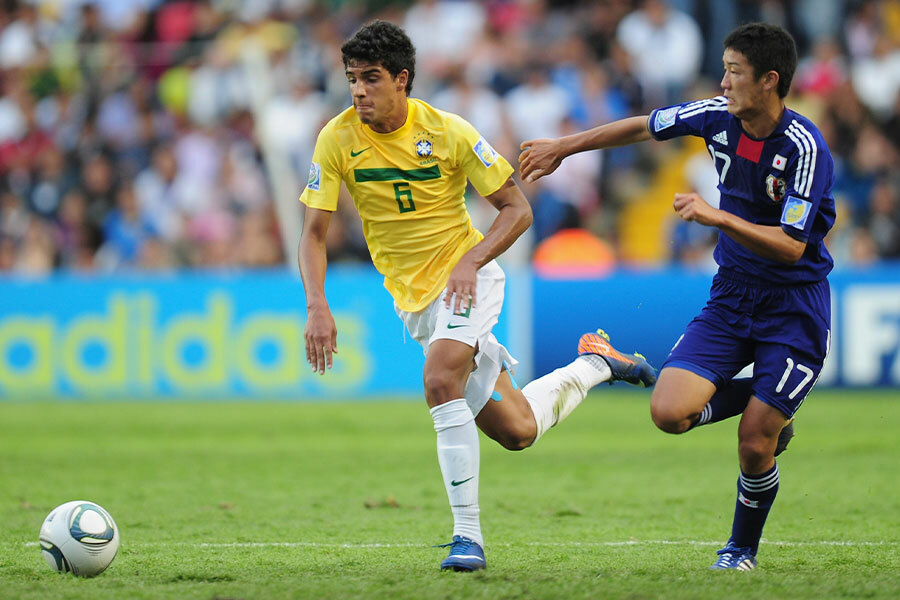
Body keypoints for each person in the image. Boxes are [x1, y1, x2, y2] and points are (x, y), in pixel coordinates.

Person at [298, 20, 657, 572]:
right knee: (517, 431)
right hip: (416, 304)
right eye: (351, 79)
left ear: (402, 79)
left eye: (370, 79)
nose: (358, 91)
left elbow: (518, 210)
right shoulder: (336, 138)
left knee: (441, 378)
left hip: (471, 278)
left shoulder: (450, 133)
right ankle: (596, 363)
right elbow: (314, 235)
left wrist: (471, 259)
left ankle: (467, 538)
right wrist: (317, 306)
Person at [519, 22, 835, 571]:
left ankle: (739, 549)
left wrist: (717, 215)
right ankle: (768, 407)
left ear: (769, 81)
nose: (724, 80)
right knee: (668, 413)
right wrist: (564, 148)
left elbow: (790, 246)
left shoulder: (804, 147)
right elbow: (645, 125)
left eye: (735, 71)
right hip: (732, 297)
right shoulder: (717, 115)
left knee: (754, 441)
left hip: (794, 306)